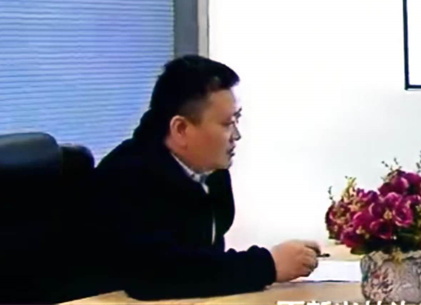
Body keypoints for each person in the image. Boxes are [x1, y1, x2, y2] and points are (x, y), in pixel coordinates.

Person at [90, 55, 321, 299]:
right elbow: (155, 275)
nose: (236, 135)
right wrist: (268, 265)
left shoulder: (211, 172)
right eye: (226, 124)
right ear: (181, 129)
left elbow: (203, 261)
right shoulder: (126, 177)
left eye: (237, 119)